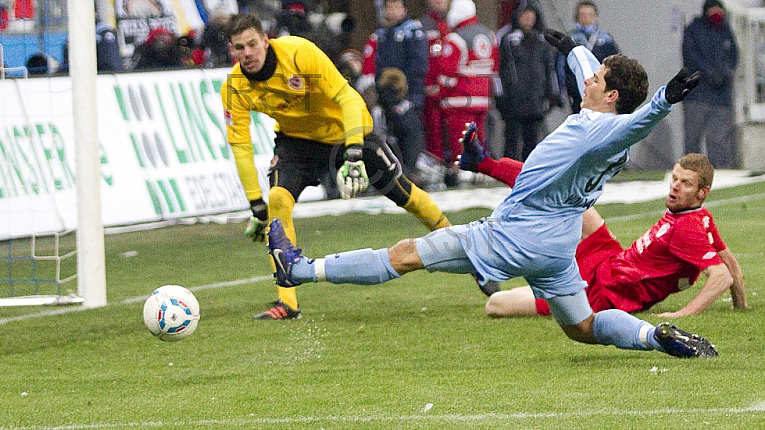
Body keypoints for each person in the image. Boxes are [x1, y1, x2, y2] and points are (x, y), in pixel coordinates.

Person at [264, 30, 719, 359]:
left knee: (404, 255)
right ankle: (652, 337)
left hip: (517, 234)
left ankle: (300, 270)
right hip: (559, 246)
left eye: (598, 78)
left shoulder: (603, 130)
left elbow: (634, 123)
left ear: (612, 94)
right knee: (581, 328)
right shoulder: (597, 118)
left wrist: (664, 100)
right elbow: (592, 80)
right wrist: (574, 50)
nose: (589, 79)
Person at [220, 14, 451, 320]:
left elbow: (348, 99)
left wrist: (354, 152)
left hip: (347, 132)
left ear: (266, 40)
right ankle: (287, 302)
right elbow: (240, 145)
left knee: (404, 194)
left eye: (252, 44)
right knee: (277, 201)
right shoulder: (235, 87)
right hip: (297, 142)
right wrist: (255, 203)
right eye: (239, 48)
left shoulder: (299, 53)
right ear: (232, 51)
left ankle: (463, 250)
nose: (247, 53)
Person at [456, 124, 748, 319]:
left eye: (685, 184)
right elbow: (730, 263)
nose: (674, 187)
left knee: (495, 306)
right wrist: (741, 306)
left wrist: (681, 315)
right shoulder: (697, 216)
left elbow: (721, 275)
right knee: (565, 188)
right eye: (674, 179)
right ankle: (483, 163)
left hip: (603, 294)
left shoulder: (689, 228)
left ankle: (486, 270)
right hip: (610, 258)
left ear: (702, 192)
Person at [435, 0, 498, 186]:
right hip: (482, 98)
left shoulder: (455, 38)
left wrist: (441, 92)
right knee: (479, 137)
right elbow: (494, 67)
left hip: (459, 99)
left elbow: (447, 71)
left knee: (461, 137)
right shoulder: (489, 34)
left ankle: (463, 170)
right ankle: (480, 168)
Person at [497, 0, 560, 161]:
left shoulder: (542, 40)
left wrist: (553, 94)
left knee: (532, 141)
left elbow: (550, 69)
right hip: (513, 102)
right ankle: (508, 171)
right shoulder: (507, 39)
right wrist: (501, 97)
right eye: (524, 15)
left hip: (535, 101)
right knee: (512, 140)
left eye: (531, 15)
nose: (528, 19)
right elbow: (498, 70)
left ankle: (528, 171)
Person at [681, 0, 739, 169]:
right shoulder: (694, 30)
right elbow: (691, 57)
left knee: (719, 139)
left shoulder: (726, 31)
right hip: (697, 94)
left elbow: (734, 56)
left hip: (721, 96)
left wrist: (725, 73)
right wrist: (708, 73)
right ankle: (691, 171)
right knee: (693, 137)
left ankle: (721, 171)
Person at [362, 0, 429, 113]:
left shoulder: (413, 31)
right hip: (386, 93)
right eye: (389, 8)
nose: (392, 12)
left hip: (408, 94)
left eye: (397, 8)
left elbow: (419, 65)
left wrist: (410, 97)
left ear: (405, 10)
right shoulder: (383, 34)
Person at [557, 0, 621, 114]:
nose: (586, 18)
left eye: (590, 15)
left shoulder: (606, 40)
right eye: (582, 15)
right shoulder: (570, 39)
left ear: (596, 17)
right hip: (577, 93)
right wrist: (563, 89)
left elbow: (617, 66)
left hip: (602, 93)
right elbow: (560, 66)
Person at [419, 0, 452, 165]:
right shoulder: (421, 25)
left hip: (452, 87)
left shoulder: (454, 23)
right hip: (431, 87)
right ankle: (436, 162)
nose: (439, 0)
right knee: (433, 128)